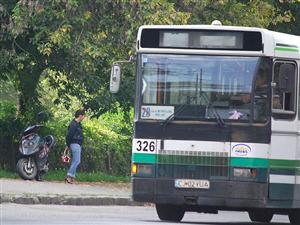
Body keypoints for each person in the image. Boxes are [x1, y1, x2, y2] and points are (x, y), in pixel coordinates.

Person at [65, 109, 86, 184]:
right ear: (80, 116)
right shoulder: (73, 124)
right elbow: (69, 136)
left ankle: (72, 177)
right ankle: (69, 176)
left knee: (75, 160)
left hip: (77, 144)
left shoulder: (78, 124)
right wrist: (68, 144)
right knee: (77, 161)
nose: (84, 117)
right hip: (74, 144)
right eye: (83, 116)